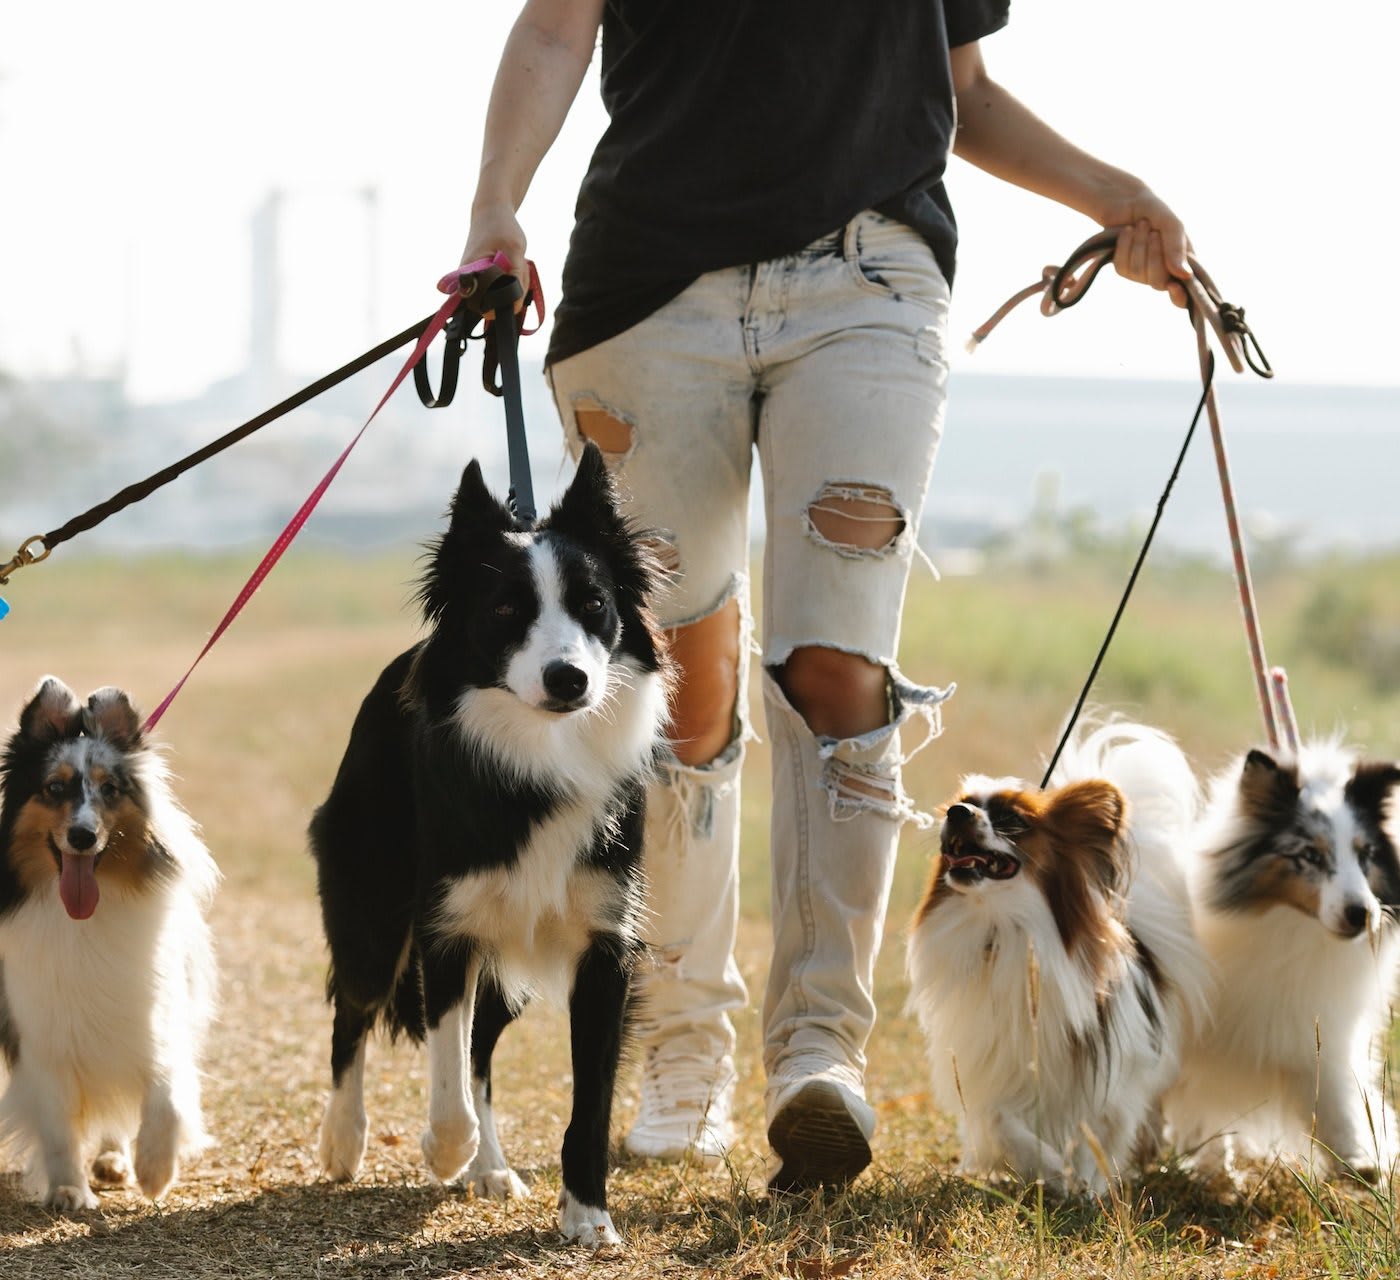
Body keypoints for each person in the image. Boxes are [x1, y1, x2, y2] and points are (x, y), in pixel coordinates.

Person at [460, 0, 1193, 1191]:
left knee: (838, 668)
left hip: (869, 283)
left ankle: (817, 1053)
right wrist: (496, 204)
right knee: (678, 684)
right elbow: (554, 29)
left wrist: (1116, 193)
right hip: (650, 291)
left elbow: (965, 87)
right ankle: (681, 1048)